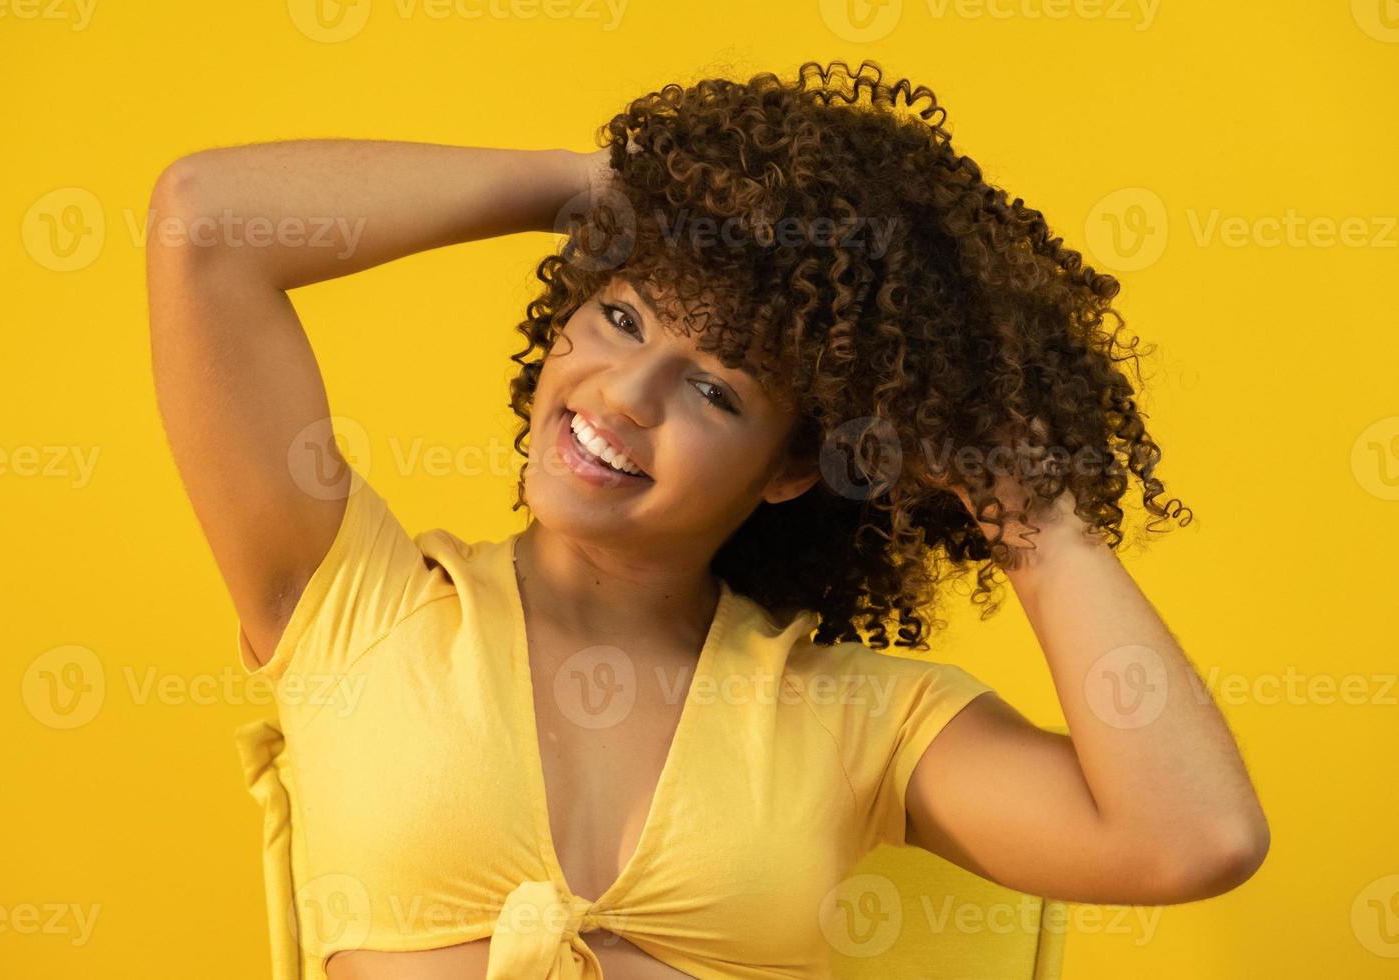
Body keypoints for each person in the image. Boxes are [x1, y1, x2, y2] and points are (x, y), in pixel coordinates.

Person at [147, 60, 1269, 980]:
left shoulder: (846, 716)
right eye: (622, 316)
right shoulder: (355, 603)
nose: (624, 396)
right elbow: (204, 228)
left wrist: (1016, 495)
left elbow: (1193, 836)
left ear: (788, 471)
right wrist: (601, 188)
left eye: (716, 389)